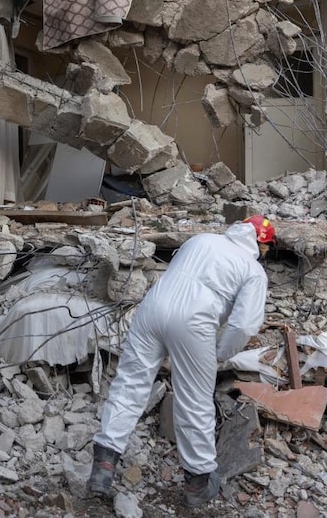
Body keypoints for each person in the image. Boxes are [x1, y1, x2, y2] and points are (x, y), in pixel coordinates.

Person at [87, 215, 275, 508]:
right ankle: (198, 482)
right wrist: (220, 353)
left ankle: (103, 465)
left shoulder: (201, 240)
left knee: (130, 382)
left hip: (152, 308)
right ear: (262, 246)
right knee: (194, 400)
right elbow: (243, 326)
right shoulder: (253, 270)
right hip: (194, 321)